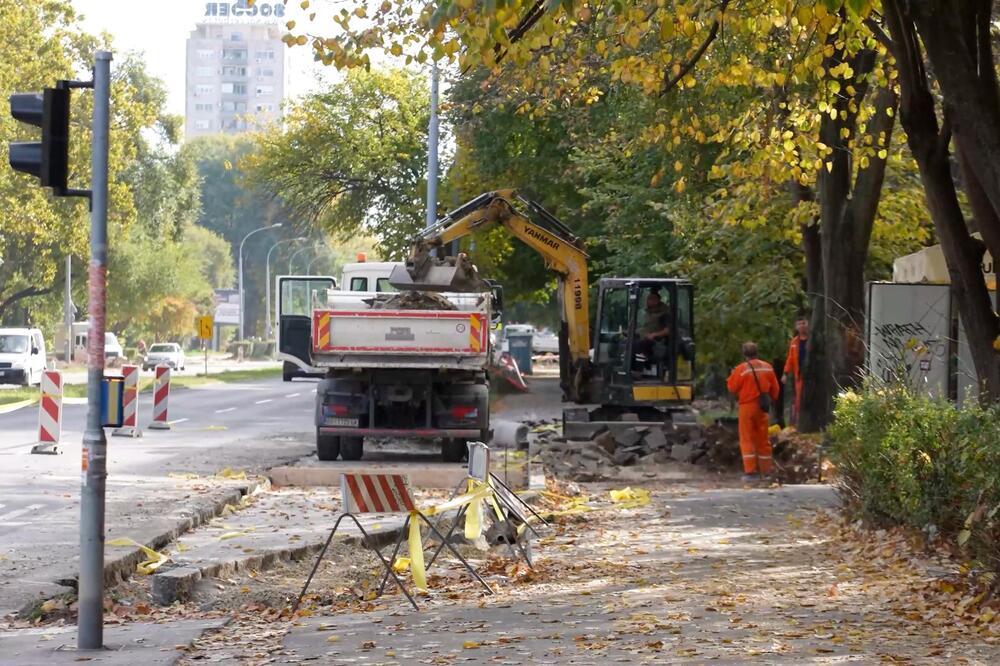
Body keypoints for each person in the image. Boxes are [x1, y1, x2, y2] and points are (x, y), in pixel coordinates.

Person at [727, 342, 780, 482]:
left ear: (744, 354)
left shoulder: (741, 369)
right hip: (762, 409)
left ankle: (751, 472)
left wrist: (731, 375)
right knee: (763, 439)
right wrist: (770, 398)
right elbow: (775, 390)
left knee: (747, 438)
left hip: (747, 407)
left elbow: (732, 388)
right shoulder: (768, 367)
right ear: (757, 352)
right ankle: (766, 471)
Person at [782, 315, 809, 426]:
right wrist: (785, 373)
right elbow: (790, 359)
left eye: (803, 323)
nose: (801, 326)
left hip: (811, 375)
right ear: (796, 327)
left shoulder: (812, 339)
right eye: (799, 324)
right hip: (799, 375)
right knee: (798, 399)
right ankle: (799, 423)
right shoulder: (794, 342)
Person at [633, 289, 671, 361]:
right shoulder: (647, 312)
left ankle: (639, 367)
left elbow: (668, 330)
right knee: (625, 341)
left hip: (656, 342)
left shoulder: (664, 313)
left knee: (637, 344)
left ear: (656, 300)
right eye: (648, 299)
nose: (647, 301)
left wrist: (654, 335)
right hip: (643, 337)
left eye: (650, 299)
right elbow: (644, 327)